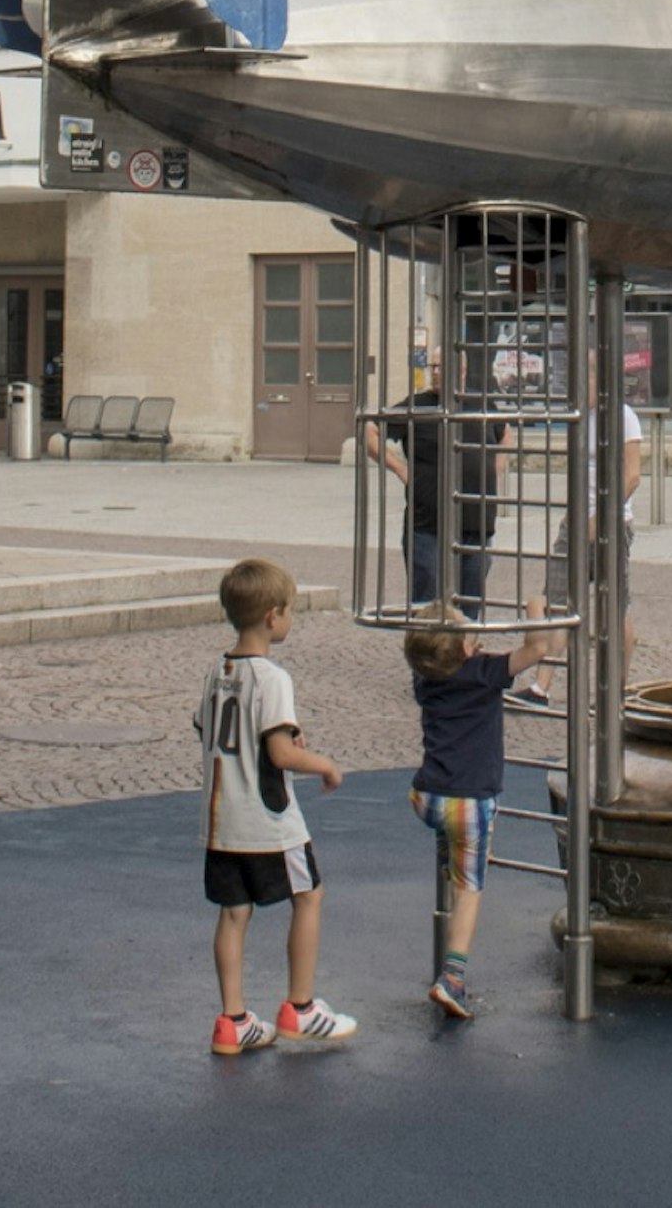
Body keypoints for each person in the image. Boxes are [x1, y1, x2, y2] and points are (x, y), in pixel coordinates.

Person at [200, 557, 354, 1052]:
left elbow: (208, 728)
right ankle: (301, 1007)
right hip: (269, 821)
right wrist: (323, 762)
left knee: (233, 913)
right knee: (308, 896)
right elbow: (279, 753)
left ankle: (233, 1019)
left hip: (221, 820)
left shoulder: (217, 672)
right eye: (289, 610)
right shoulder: (273, 678)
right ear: (272, 615)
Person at [401, 605, 560, 1021]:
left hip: (427, 796)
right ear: (466, 650)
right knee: (470, 887)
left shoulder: (425, 679)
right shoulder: (483, 672)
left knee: (457, 851)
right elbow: (537, 649)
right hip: (469, 800)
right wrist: (535, 613)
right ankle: (452, 978)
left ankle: (453, 859)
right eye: (473, 634)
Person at [364, 382, 495, 610]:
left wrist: (496, 466)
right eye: (433, 366)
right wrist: (399, 468)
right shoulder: (418, 405)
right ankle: (428, 645)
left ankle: (464, 644)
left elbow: (505, 433)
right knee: (426, 603)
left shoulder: (481, 403)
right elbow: (370, 431)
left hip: (475, 520)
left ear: (462, 370)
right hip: (427, 523)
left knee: (471, 602)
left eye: (441, 366)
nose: (436, 372)